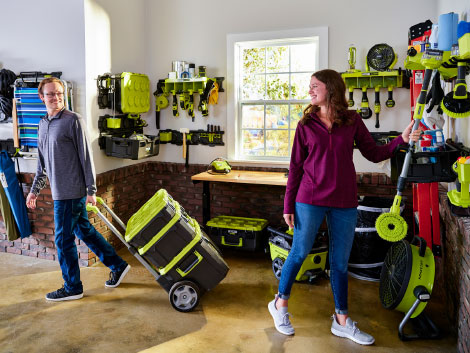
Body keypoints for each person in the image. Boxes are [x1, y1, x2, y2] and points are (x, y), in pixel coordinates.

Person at [267, 69, 422, 345]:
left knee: (340, 262)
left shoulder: (351, 120)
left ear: (331, 89)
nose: (310, 90)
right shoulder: (306, 124)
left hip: (344, 201)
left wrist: (402, 139)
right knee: (300, 251)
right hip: (309, 198)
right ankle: (280, 304)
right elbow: (295, 167)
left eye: (315, 86)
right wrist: (288, 204)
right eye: (310, 86)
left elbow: (374, 153)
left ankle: (341, 320)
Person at [26, 77, 130, 302]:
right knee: (84, 231)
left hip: (71, 192)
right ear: (41, 97)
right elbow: (42, 163)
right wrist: (34, 190)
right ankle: (118, 265)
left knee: (62, 240)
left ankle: (72, 286)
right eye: (51, 94)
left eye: (60, 93)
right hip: (58, 191)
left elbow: (86, 157)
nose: (56, 98)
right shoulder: (43, 124)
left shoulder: (73, 120)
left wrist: (91, 190)